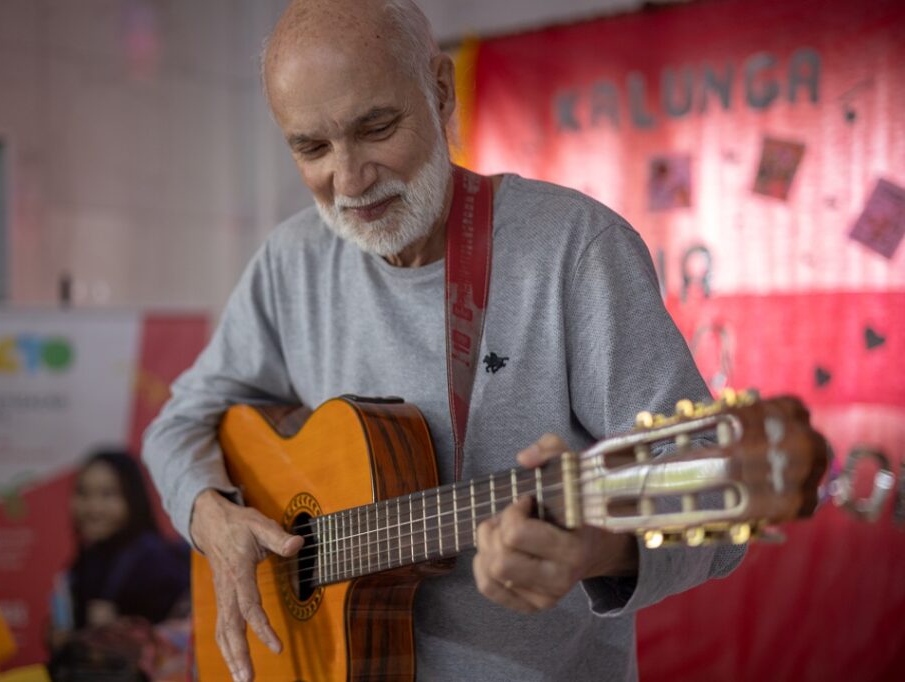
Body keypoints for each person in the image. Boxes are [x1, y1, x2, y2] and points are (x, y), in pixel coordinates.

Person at [142, 1, 745, 680]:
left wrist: (597, 547)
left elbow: (715, 482)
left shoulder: (574, 249)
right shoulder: (292, 263)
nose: (349, 179)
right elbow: (177, 425)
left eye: (376, 128)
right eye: (311, 147)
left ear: (439, 89)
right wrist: (211, 514)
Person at [61, 450, 190, 631]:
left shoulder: (156, 561)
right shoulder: (88, 558)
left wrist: (124, 628)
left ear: (133, 499)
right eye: (83, 493)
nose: (93, 507)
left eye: (107, 494)